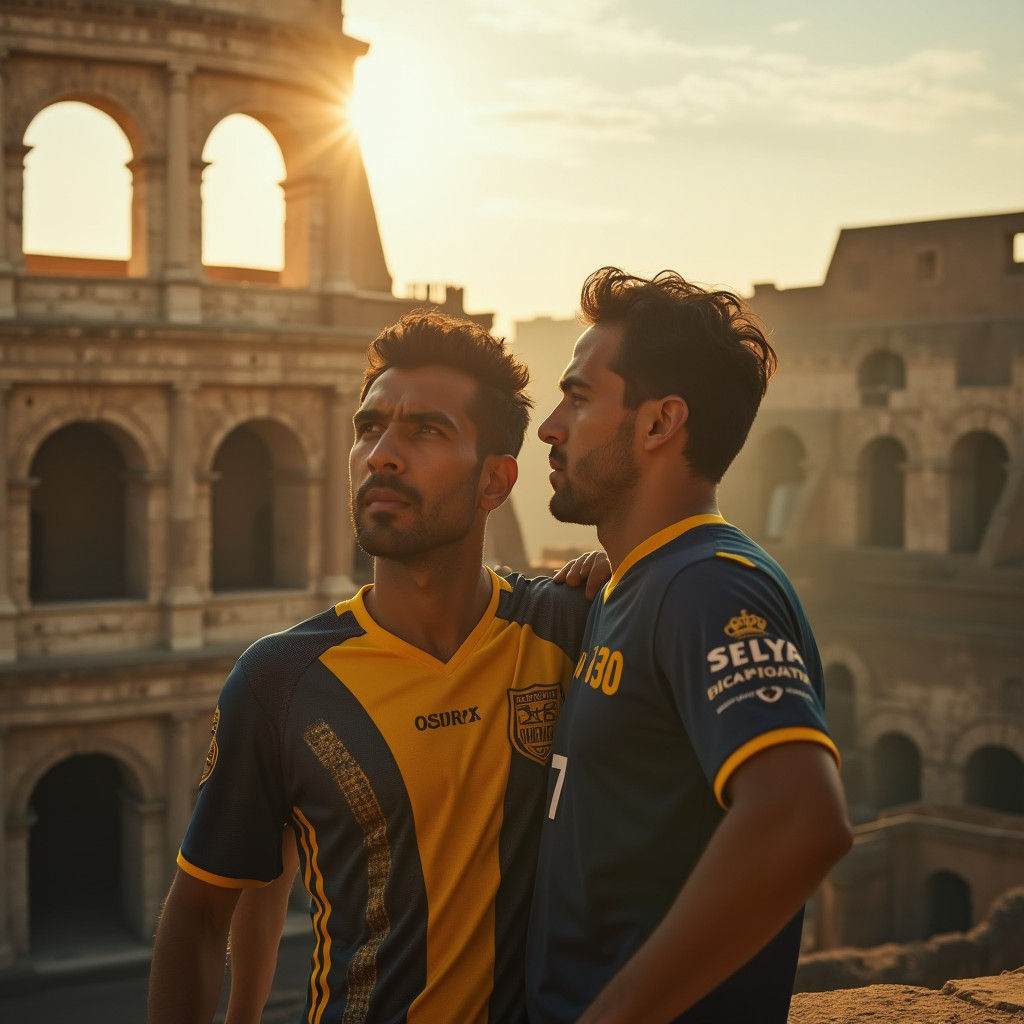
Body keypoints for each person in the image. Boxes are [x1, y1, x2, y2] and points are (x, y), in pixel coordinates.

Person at [147, 311, 596, 1024]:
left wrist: (626, 571)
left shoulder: (570, 627)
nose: (382, 453)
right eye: (368, 428)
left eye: (427, 431)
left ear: (495, 482)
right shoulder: (280, 681)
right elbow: (202, 912)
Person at [526, 268, 853, 1024]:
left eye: (577, 398)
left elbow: (801, 819)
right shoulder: (639, 585)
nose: (549, 426)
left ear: (658, 423)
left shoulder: (709, 587)